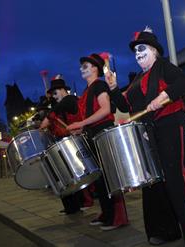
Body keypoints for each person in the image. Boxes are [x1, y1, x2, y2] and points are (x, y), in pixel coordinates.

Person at [107, 27, 185, 247]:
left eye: (141, 49)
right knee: (156, 185)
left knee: (176, 182)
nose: (137, 54)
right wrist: (115, 88)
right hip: (149, 133)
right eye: (135, 51)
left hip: (170, 127)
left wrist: (164, 95)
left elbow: (184, 82)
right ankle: (166, 231)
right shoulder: (137, 79)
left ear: (154, 50)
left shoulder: (163, 66)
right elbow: (126, 106)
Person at [67, 53, 128, 231]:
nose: (81, 69)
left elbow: (106, 109)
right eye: (81, 66)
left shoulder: (100, 84)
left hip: (103, 132)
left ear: (95, 68)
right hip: (93, 133)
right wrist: (81, 127)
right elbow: (90, 115)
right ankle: (106, 213)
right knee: (99, 179)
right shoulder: (87, 90)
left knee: (108, 177)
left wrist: (82, 123)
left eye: (85, 66)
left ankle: (116, 217)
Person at [39, 75, 93, 215]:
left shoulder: (70, 99)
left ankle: (86, 201)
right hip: (66, 140)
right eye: (53, 94)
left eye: (56, 93)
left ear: (63, 90)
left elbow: (54, 112)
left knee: (78, 172)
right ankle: (73, 205)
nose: (55, 96)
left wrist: (47, 119)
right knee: (69, 174)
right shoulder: (60, 104)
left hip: (76, 140)